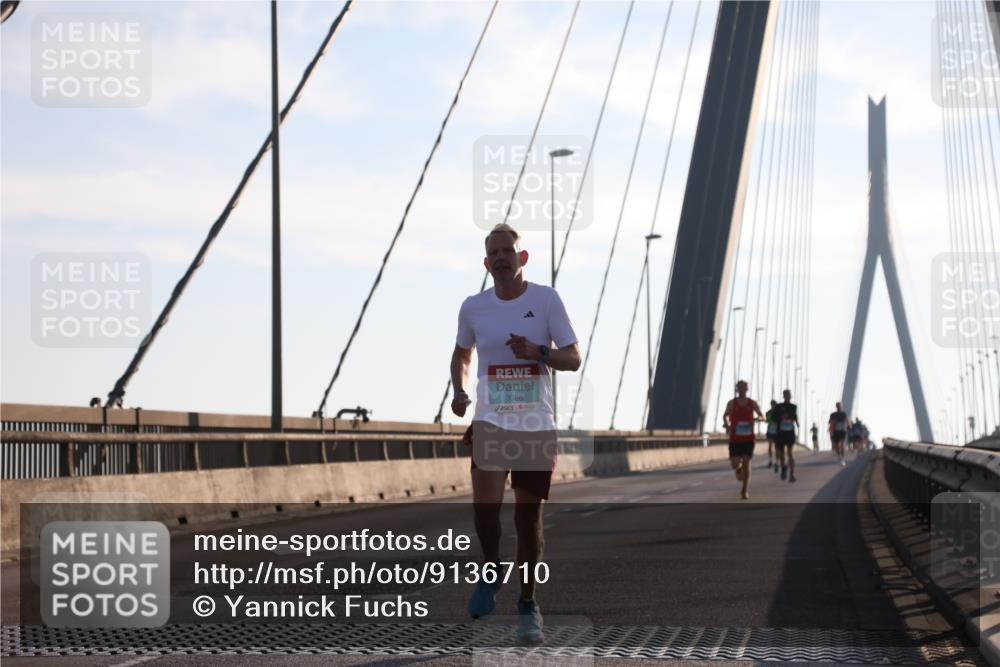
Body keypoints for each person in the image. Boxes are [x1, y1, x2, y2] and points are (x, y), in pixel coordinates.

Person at [451, 223, 581, 645]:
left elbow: (574, 357)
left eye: (510, 250)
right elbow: (462, 354)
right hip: (490, 422)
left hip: (534, 426)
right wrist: (459, 390)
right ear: (487, 263)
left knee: (528, 522)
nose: (503, 257)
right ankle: (493, 567)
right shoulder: (473, 307)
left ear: (522, 258)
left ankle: (527, 604)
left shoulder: (546, 300)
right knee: (485, 511)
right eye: (496, 252)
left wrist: (539, 352)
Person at [723, 380, 765, 499]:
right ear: (737, 389)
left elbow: (762, 415)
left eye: (744, 387)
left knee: (747, 464)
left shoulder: (752, 403)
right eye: (740, 387)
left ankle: (744, 491)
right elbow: (725, 415)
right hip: (735, 439)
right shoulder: (732, 403)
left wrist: (758, 419)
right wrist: (727, 423)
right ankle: (738, 468)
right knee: (734, 464)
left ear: (747, 389)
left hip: (748, 438)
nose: (742, 389)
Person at [773, 389, 798, 482]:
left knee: (790, 453)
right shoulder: (778, 406)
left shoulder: (793, 407)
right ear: (783, 396)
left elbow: (793, 416)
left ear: (790, 396)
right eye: (786, 395)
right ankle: (784, 468)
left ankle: (792, 473)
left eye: (789, 394)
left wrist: (788, 417)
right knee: (782, 454)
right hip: (780, 433)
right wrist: (781, 417)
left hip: (790, 432)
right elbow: (774, 418)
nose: (787, 396)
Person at [828, 402, 849, 466]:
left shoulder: (844, 414)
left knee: (842, 444)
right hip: (836, 431)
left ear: (841, 406)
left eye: (840, 406)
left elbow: (847, 421)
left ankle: (842, 459)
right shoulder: (833, 414)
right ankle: (839, 456)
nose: (839, 407)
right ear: (836, 406)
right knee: (836, 445)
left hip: (842, 430)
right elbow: (829, 422)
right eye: (838, 406)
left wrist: (848, 427)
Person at [765, 400, 778, 470]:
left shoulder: (779, 413)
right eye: (772, 404)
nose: (773, 406)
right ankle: (770, 460)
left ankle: (776, 461)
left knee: (776, 447)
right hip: (770, 431)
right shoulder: (768, 413)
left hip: (777, 432)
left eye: (774, 405)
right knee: (770, 445)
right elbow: (767, 420)